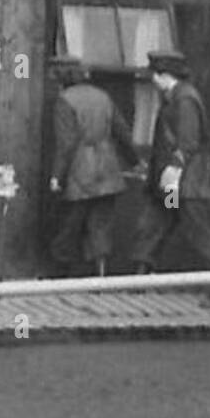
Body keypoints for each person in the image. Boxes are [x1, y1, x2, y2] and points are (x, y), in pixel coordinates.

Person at [129, 50, 210, 305]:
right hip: (172, 187)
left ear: (165, 76)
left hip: (183, 184)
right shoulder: (176, 97)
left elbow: (188, 140)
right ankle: (140, 277)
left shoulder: (185, 99)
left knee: (198, 232)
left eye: (155, 75)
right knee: (156, 224)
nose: (153, 80)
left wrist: (174, 168)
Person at [49, 59, 137, 276]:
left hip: (80, 171)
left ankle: (59, 275)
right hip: (108, 168)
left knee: (69, 225)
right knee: (101, 225)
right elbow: (122, 132)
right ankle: (100, 275)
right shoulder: (103, 96)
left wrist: (56, 176)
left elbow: (66, 143)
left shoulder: (65, 100)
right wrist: (134, 161)